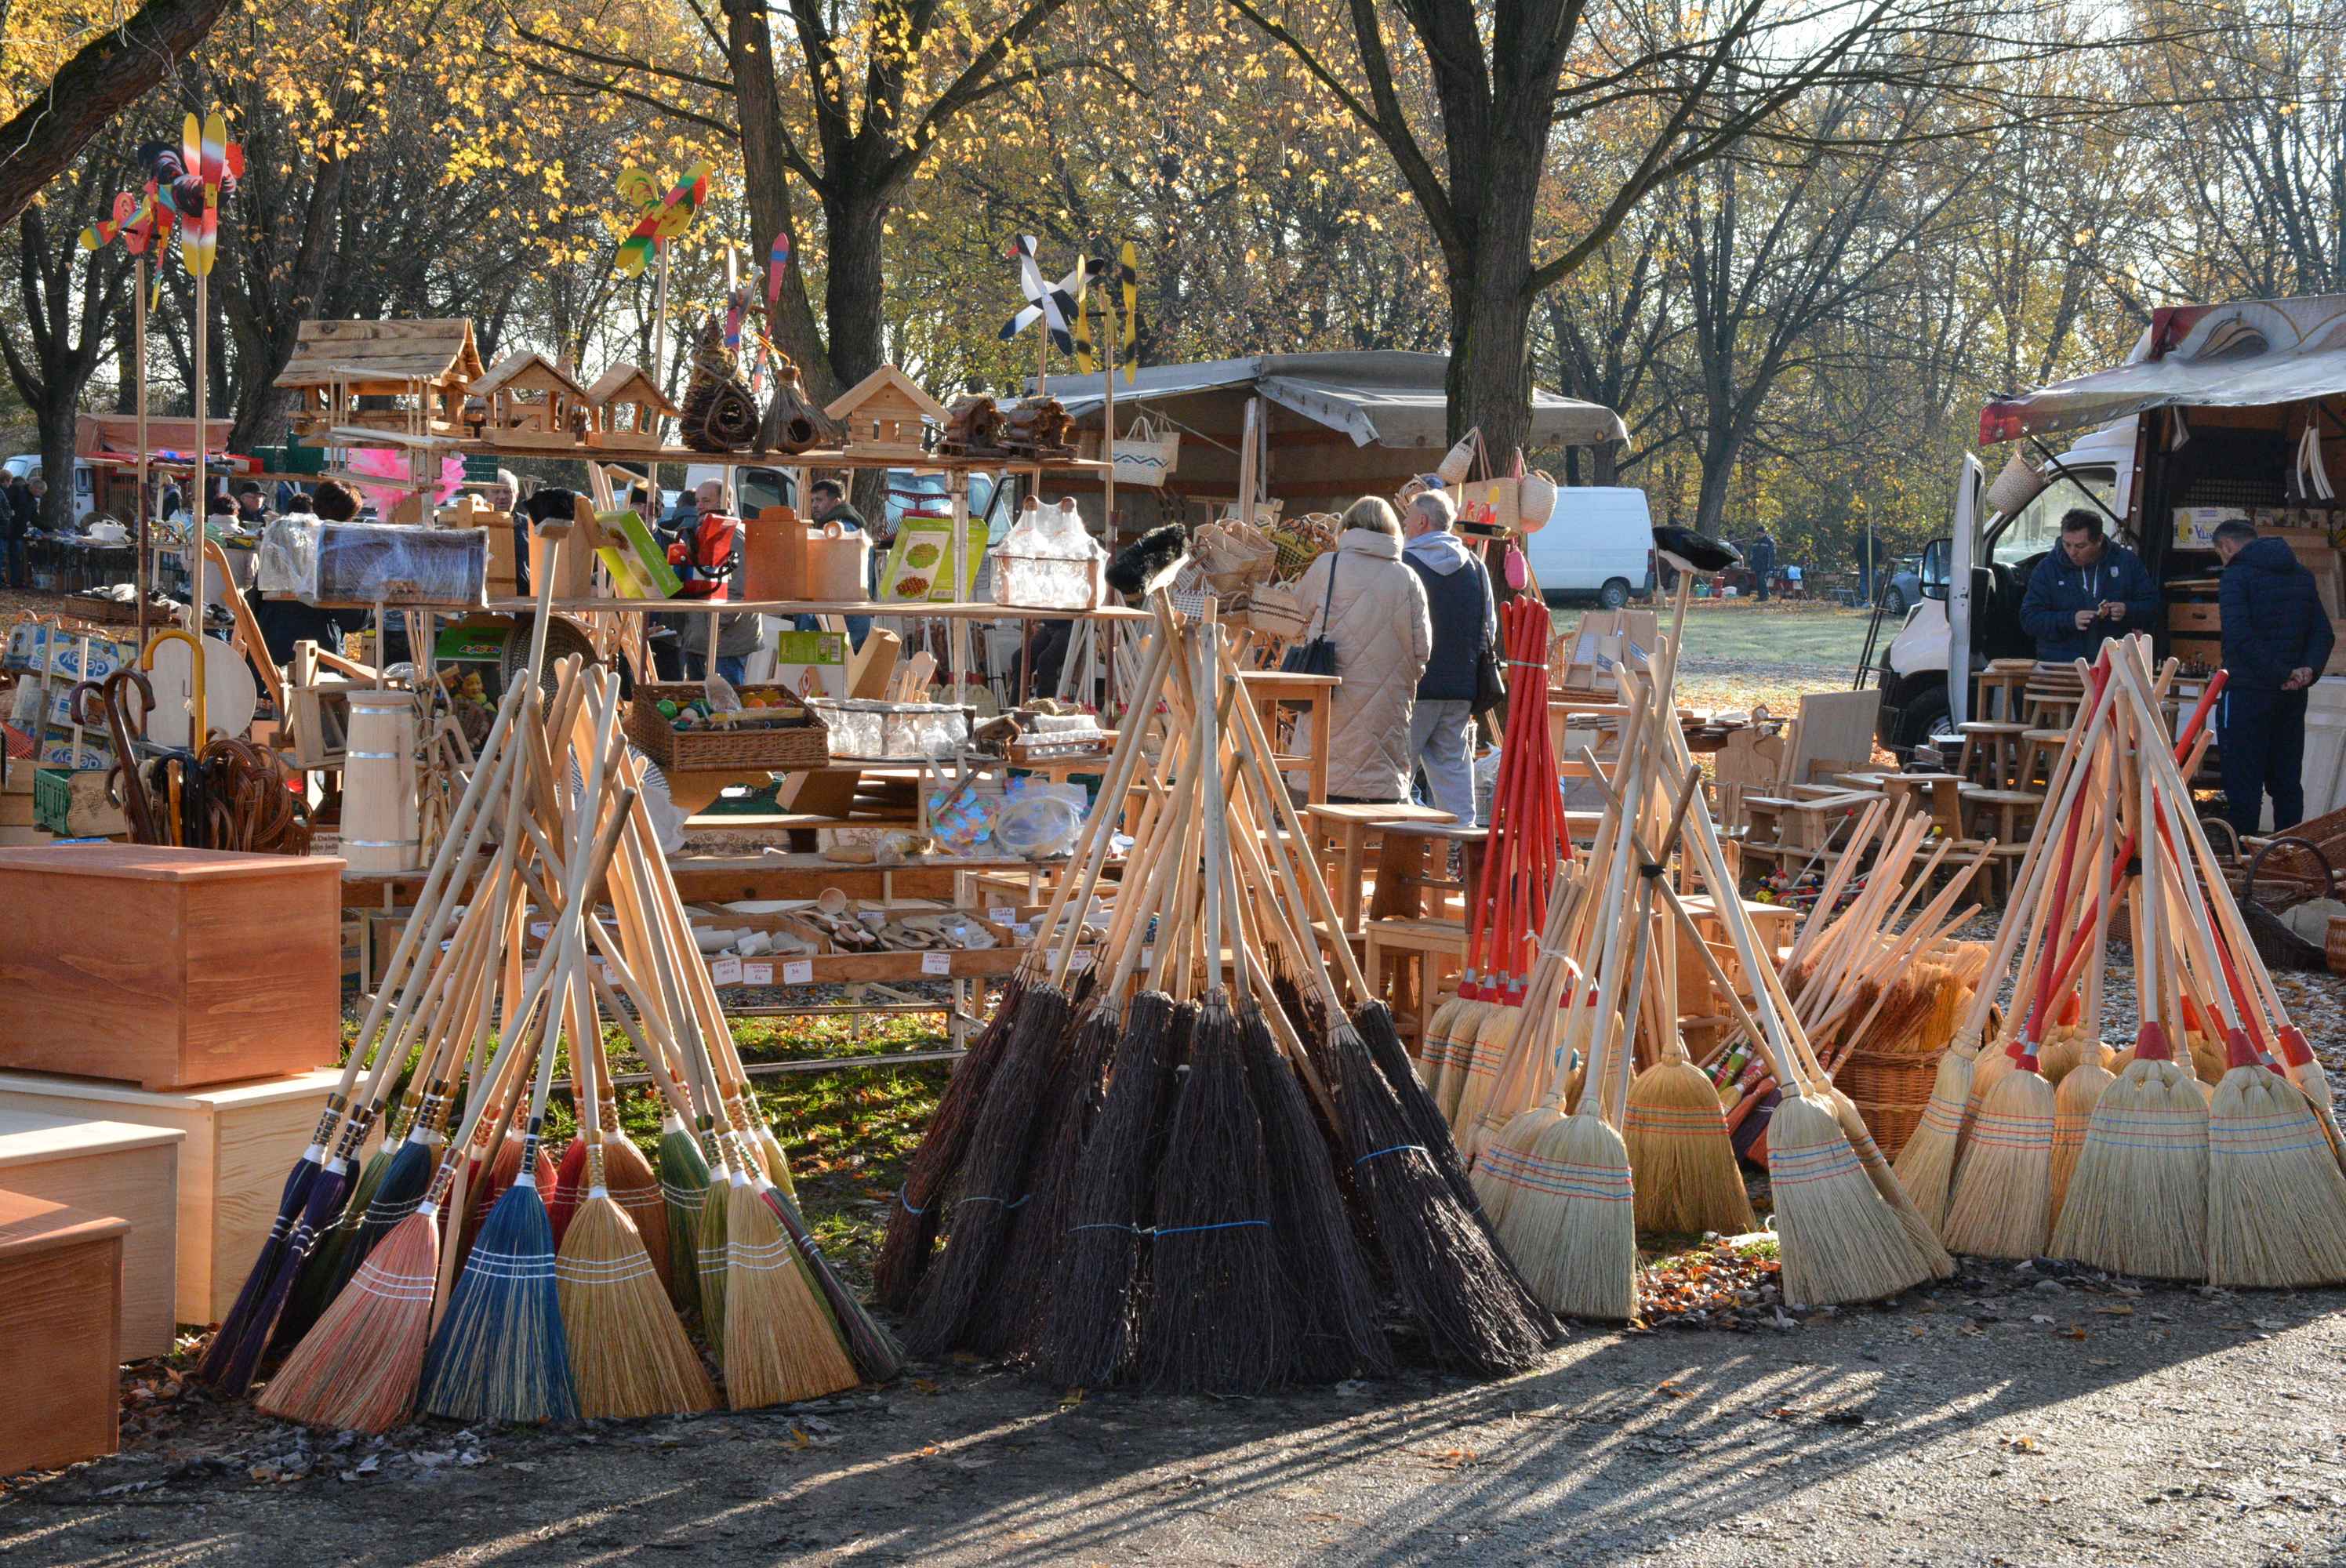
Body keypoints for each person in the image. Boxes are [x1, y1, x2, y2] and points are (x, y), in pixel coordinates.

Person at [1287, 496, 1432, 804]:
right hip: (1388, 708)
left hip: (1329, 695)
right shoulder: (1409, 579)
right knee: (1378, 792)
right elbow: (1423, 651)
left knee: (1321, 773)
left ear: (1348, 527)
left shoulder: (1329, 565)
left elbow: (1296, 610)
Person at [2213, 518, 2335, 835]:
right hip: (2292, 695)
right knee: (2286, 780)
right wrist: (2306, 671)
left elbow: (2239, 635)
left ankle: (2243, 856)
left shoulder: (2235, 576)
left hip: (2247, 691)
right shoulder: (2302, 576)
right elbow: (2323, 633)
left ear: (2226, 546)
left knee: (2244, 780)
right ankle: (2291, 853)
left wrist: (2282, 672)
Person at [1400, 488, 1496, 826]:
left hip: (1414, 687)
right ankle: (1462, 854)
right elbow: (1489, 629)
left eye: (1408, 517)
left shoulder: (1403, 563)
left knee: (1397, 775)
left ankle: (1399, 858)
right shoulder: (1475, 565)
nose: (1405, 523)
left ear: (1423, 521)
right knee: (1454, 772)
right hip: (1460, 689)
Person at [2019, 507, 2159, 663]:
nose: (2072, 552)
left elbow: (2153, 607)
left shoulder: (2127, 563)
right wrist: (2070, 620)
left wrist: (2128, 610)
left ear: (2099, 540)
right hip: (2060, 666)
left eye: (2080, 546)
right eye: (2067, 544)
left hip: (2114, 666)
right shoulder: (2047, 568)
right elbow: (2029, 619)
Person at [246, 480, 364, 665]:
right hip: (318, 653)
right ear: (348, 518)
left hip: (270, 644)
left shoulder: (280, 534)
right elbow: (353, 620)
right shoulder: (342, 549)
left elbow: (257, 597)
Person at [670, 477, 759, 684]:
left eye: (706, 500)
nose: (700, 506)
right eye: (698, 501)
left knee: (725, 706)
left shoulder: (733, 535)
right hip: (700, 638)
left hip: (723, 642)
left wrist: (716, 626)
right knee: (700, 707)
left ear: (726, 503)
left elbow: (739, 587)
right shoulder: (703, 533)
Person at [798, 476, 873, 645]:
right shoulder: (856, 529)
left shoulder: (839, 531)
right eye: (812, 500)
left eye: (820, 499)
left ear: (836, 502)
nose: (814, 505)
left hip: (841, 617)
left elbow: (825, 578)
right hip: (854, 615)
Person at [2, 473, 29, 588]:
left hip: (7, 529)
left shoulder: (6, 492)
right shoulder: (18, 492)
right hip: (6, 529)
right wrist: (8, 516)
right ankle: (13, 581)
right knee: (9, 556)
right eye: (9, 481)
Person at [1749, 529, 1777, 601]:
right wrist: (1751, 565)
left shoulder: (1769, 542)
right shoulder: (1755, 542)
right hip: (1756, 565)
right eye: (1757, 534)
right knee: (1758, 581)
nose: (1758, 535)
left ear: (1764, 533)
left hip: (1765, 565)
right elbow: (1752, 554)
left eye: (1760, 534)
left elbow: (1772, 556)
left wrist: (1770, 566)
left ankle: (1765, 596)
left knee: (1762, 579)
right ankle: (1760, 596)